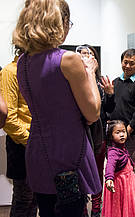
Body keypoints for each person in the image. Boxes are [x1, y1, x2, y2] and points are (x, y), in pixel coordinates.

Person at [12, 0, 102, 216]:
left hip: (38, 151)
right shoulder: (68, 60)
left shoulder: (23, 62)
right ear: (59, 22)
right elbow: (93, 112)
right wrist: (90, 71)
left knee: (47, 211)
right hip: (68, 153)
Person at [101, 48, 135, 189]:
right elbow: (108, 109)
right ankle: (122, 204)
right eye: (125, 62)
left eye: (132, 63)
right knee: (117, 170)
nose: (127, 66)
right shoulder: (115, 83)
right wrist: (109, 95)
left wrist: (127, 132)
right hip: (115, 136)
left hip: (134, 136)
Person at [1, 53, 37, 217]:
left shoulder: (35, 70)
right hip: (22, 143)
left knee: (35, 198)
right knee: (24, 199)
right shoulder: (11, 71)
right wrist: (30, 140)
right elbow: (9, 120)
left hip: (37, 142)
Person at [76, 44, 107, 217]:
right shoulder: (73, 79)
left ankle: (96, 207)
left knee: (96, 172)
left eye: (89, 54)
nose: (86, 56)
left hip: (97, 135)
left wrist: (109, 95)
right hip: (79, 135)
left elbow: (104, 110)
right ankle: (82, 208)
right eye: (82, 54)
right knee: (80, 174)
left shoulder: (99, 81)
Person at [102, 120, 135, 217]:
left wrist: (132, 165)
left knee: (131, 203)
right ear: (111, 136)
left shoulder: (121, 146)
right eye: (117, 133)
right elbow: (110, 165)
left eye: (123, 131)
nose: (122, 135)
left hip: (129, 181)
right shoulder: (113, 152)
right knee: (121, 206)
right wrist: (109, 178)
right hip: (120, 184)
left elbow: (126, 156)